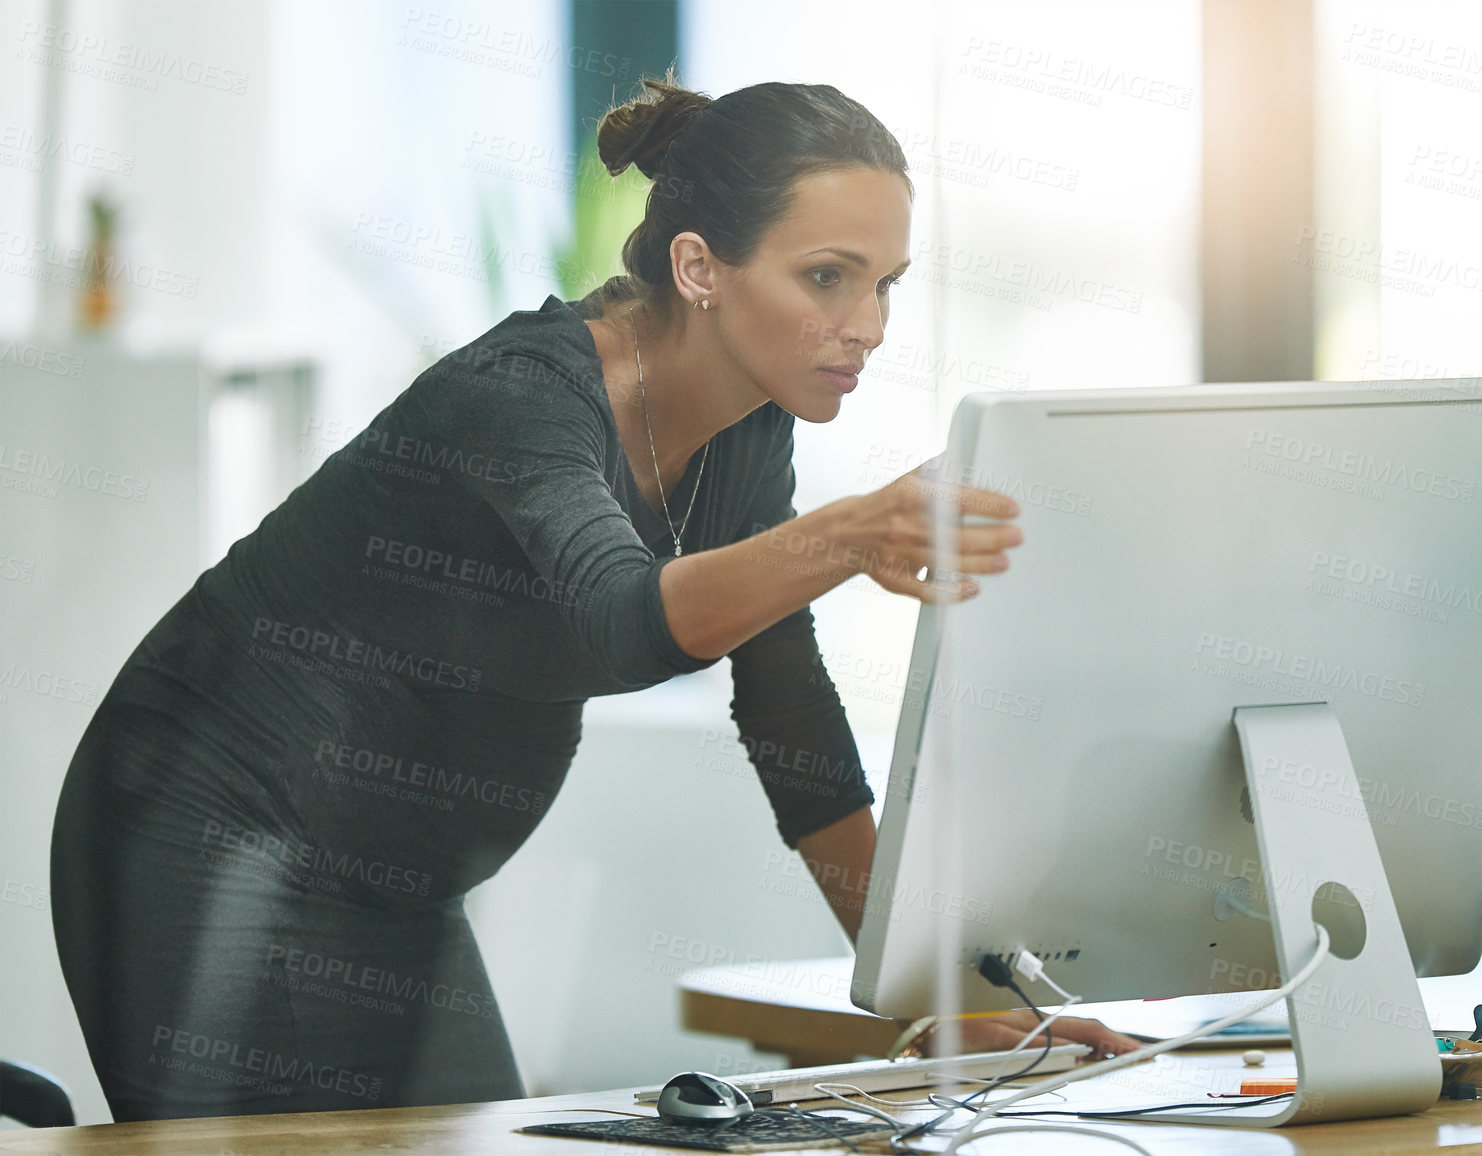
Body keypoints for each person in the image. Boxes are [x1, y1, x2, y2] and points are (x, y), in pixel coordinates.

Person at [50, 76, 1139, 1122]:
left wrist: (932, 1001)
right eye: (827, 278)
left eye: (886, 283)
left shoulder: (747, 433)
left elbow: (788, 717)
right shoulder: (524, 396)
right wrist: (851, 532)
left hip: (400, 887)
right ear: (700, 266)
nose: (870, 325)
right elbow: (621, 619)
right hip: (210, 834)